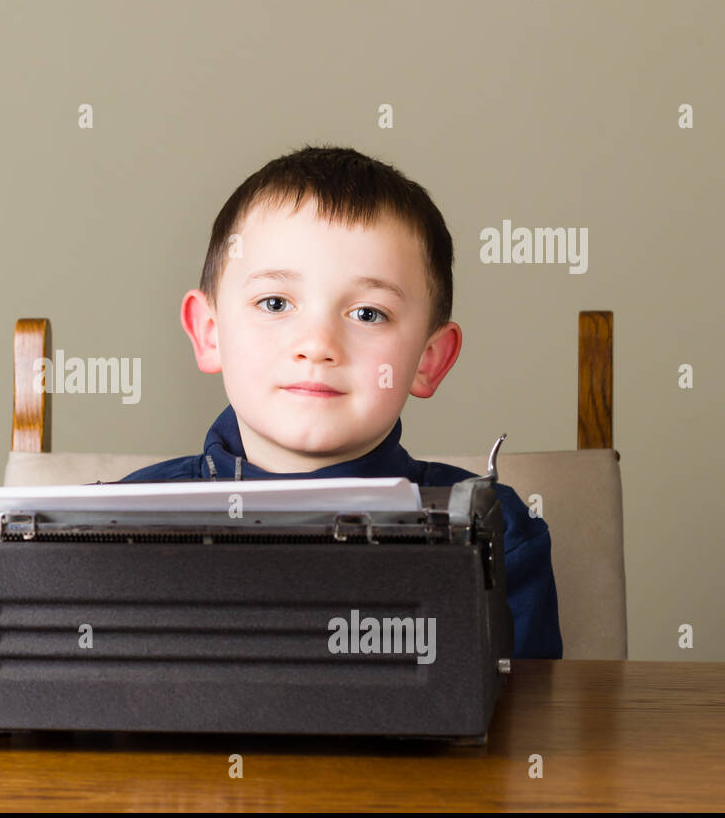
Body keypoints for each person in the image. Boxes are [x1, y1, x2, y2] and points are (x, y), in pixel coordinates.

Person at [117, 144, 563, 659]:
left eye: (369, 314)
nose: (318, 345)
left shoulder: (491, 534)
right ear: (210, 333)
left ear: (428, 359)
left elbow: (533, 727)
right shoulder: (122, 523)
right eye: (276, 303)